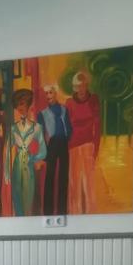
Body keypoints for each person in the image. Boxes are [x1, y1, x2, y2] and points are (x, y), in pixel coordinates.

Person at [5, 89, 46, 216]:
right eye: (17, 104)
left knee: (28, 199)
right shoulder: (13, 128)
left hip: (29, 168)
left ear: (28, 105)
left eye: (22, 103)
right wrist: (7, 173)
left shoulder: (37, 128)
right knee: (17, 199)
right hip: (17, 167)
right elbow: (7, 152)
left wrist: (33, 159)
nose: (19, 107)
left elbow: (43, 150)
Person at [66, 71, 101, 214]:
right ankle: (75, 213)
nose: (81, 89)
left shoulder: (94, 100)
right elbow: (66, 127)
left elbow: (98, 126)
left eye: (83, 85)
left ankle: (90, 214)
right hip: (72, 146)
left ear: (87, 85)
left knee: (88, 183)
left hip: (88, 146)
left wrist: (96, 148)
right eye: (78, 86)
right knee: (74, 184)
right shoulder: (69, 103)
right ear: (74, 87)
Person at [37, 84, 72, 215]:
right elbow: (40, 135)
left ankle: (62, 210)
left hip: (63, 143)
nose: (48, 96)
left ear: (55, 93)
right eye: (46, 94)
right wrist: (44, 151)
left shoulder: (64, 109)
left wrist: (67, 136)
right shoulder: (42, 114)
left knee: (63, 176)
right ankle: (48, 211)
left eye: (50, 93)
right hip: (51, 144)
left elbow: (68, 127)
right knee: (50, 177)